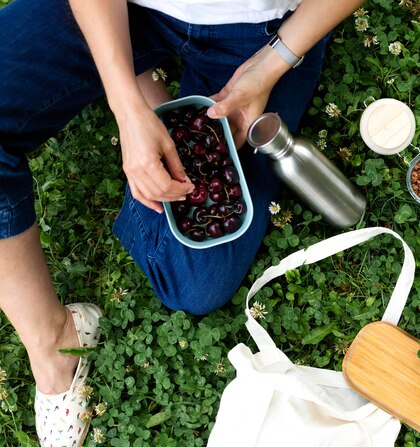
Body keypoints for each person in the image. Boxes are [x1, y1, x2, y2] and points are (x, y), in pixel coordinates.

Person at [0, 0, 364, 445]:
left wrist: (274, 62)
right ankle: (54, 342)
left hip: (260, 28)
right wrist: (124, 106)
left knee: (195, 282)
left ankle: (155, 99)